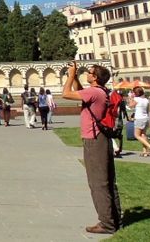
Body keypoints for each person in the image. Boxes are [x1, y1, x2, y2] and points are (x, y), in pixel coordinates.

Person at [62, 61, 122, 235]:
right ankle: (115, 218)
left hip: (94, 140)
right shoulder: (101, 91)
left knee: (98, 183)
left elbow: (66, 94)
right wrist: (75, 78)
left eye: (89, 72)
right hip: (102, 138)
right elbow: (80, 91)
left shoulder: (94, 92)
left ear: (95, 77)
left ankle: (107, 224)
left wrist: (71, 74)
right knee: (108, 180)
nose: (87, 74)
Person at [128, 86, 150, 157]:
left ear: (136, 93)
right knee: (143, 134)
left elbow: (130, 106)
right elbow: (147, 110)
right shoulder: (146, 100)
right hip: (146, 118)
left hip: (139, 119)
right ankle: (145, 151)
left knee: (137, 135)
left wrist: (130, 98)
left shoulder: (137, 99)